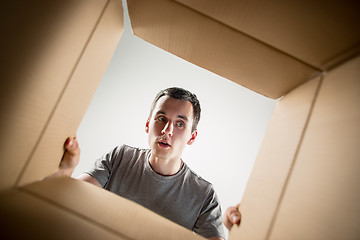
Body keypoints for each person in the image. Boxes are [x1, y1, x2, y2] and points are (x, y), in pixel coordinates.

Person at [55, 87, 241, 240]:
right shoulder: (121, 157)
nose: (167, 130)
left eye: (180, 124)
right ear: (147, 124)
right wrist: (67, 168)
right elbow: (69, 200)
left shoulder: (204, 195)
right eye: (161, 119)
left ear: (192, 137)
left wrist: (235, 231)